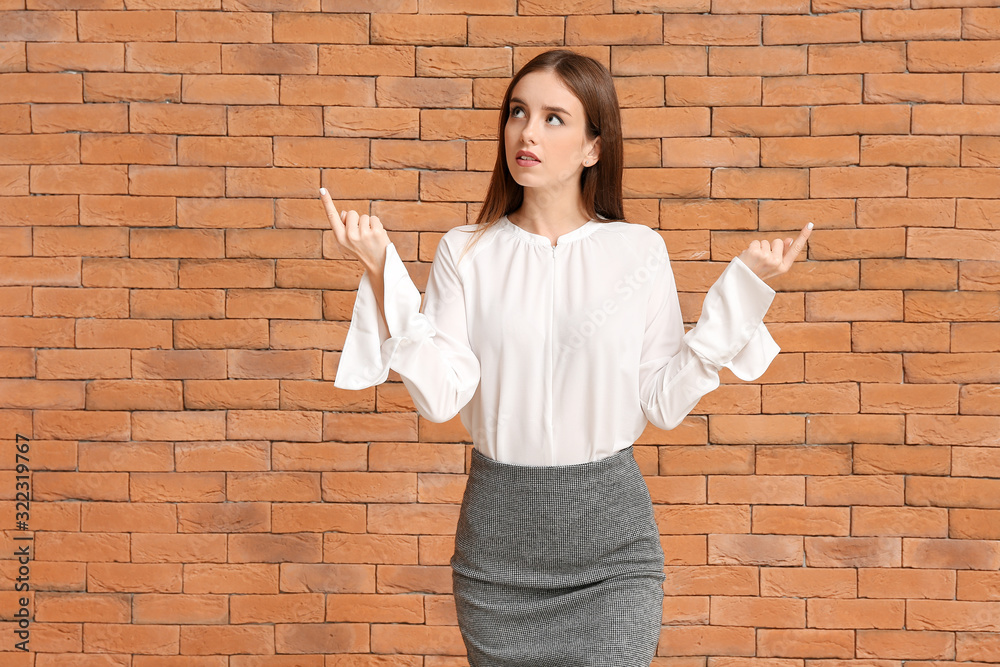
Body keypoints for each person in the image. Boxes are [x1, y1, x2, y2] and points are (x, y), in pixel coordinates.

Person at [322, 49, 811, 667]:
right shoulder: (466, 252)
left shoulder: (638, 252)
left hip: (611, 548)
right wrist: (381, 272)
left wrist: (742, 292)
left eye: (555, 118)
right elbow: (442, 395)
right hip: (500, 549)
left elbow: (660, 403)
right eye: (518, 113)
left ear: (593, 147)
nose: (528, 132)